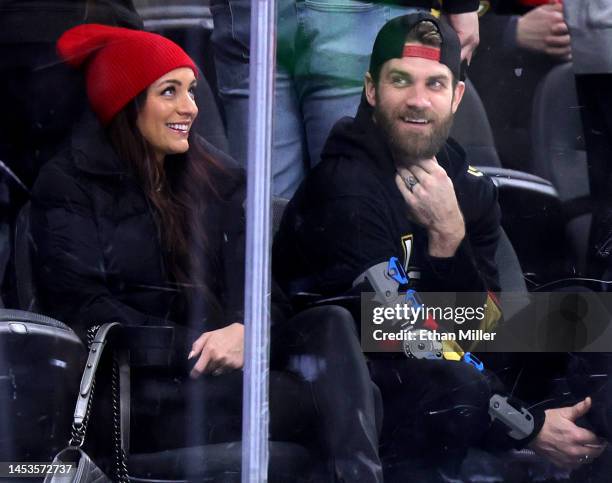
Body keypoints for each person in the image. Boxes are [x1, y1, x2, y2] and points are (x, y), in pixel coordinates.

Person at [30, 24, 383, 482]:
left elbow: (262, 287)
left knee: (331, 327)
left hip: (224, 380)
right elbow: (83, 307)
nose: (190, 108)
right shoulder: (68, 186)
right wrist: (200, 346)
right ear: (125, 101)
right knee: (349, 398)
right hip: (140, 395)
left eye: (193, 90)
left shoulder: (216, 179)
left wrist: (246, 330)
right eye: (170, 91)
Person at [273, 12, 606, 479]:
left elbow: (486, 323)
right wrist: (529, 428)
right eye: (400, 81)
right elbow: (406, 338)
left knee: (591, 316)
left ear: (457, 97)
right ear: (371, 90)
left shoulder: (462, 183)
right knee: (446, 372)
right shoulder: (344, 189)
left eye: (435, 84)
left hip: (449, 363)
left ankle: (591, 449)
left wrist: (450, 239)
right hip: (373, 385)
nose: (417, 100)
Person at [211, 0, 481, 198]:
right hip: (357, 11)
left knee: (265, 215)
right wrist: (463, 6)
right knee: (354, 202)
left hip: (251, 11)